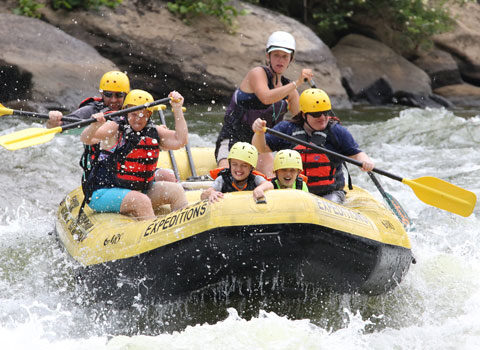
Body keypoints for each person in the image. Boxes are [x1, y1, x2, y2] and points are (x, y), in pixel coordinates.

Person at [47, 70, 176, 183]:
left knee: (168, 176)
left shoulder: (136, 108)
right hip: (104, 171)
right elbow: (58, 128)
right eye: (108, 94)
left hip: (134, 170)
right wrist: (53, 120)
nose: (113, 100)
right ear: (102, 94)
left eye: (119, 95)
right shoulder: (91, 111)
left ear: (126, 95)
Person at [215, 31, 314, 176]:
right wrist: (298, 82)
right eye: (276, 55)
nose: (280, 60)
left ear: (290, 59)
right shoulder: (257, 73)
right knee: (225, 178)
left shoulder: (290, 91)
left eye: (285, 56)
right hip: (232, 141)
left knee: (271, 179)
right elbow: (266, 98)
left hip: (260, 147)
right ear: (268, 56)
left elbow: (301, 121)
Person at [79, 89, 189, 220]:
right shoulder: (114, 128)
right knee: (141, 201)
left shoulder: (154, 131)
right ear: (126, 111)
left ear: (149, 115)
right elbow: (86, 139)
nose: (137, 119)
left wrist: (177, 109)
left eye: (142, 115)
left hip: (138, 190)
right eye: (133, 114)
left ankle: (183, 232)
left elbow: (180, 141)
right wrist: (94, 126)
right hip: (102, 192)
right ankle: (153, 238)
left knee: (176, 191)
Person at [252, 88, 375, 204]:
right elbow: (261, 148)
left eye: (325, 113)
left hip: (329, 193)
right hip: (293, 191)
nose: (322, 118)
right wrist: (258, 133)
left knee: (328, 204)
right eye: (316, 114)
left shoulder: (337, 131)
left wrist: (365, 161)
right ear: (304, 115)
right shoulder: (287, 129)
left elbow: (357, 153)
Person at [201, 142, 273, 203]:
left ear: (251, 167)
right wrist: (211, 193)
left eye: (244, 165)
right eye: (234, 164)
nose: (239, 169)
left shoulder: (255, 179)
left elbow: (269, 184)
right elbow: (204, 195)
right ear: (230, 164)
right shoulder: (222, 179)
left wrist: (260, 188)